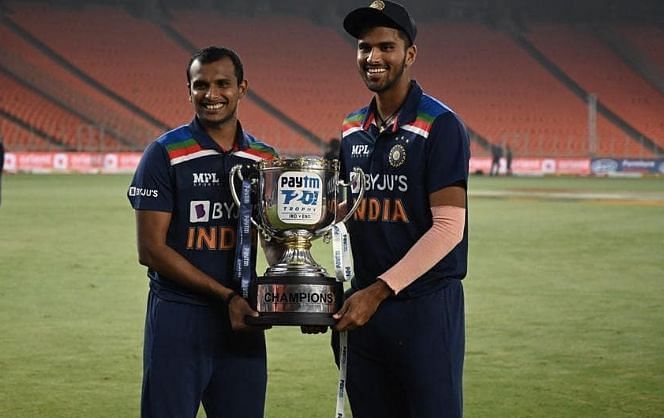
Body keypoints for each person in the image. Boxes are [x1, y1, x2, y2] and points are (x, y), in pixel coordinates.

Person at [333, 2, 470, 418]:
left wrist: (378, 291)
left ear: (409, 54)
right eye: (364, 47)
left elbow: (448, 228)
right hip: (364, 311)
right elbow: (347, 211)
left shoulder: (440, 125)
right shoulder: (351, 127)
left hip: (424, 308)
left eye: (386, 47)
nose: (373, 57)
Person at [127, 46, 278, 418]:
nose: (211, 95)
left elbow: (275, 241)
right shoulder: (164, 153)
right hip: (180, 317)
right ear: (189, 90)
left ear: (242, 88)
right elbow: (151, 249)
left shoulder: (265, 160)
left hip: (242, 323)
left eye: (223, 84)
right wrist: (226, 296)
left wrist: (288, 291)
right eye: (201, 85)